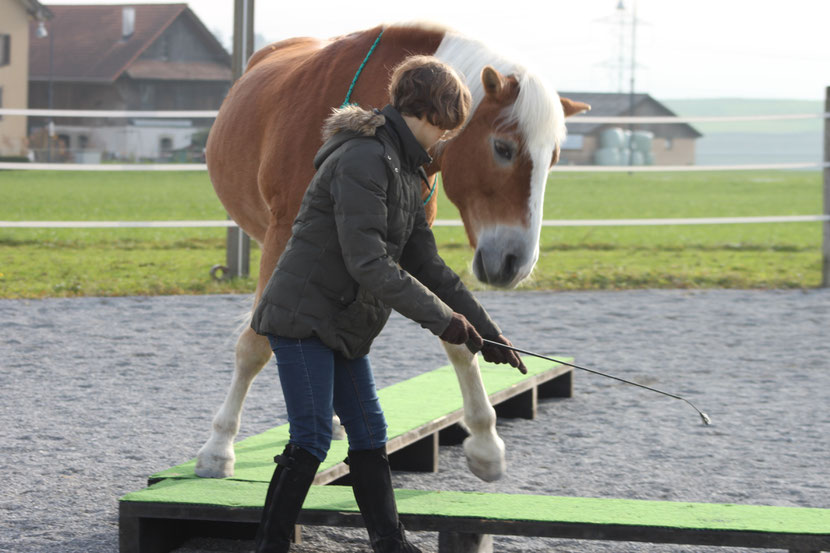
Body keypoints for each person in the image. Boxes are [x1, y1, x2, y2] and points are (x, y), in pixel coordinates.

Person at [250, 55, 526, 553]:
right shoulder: (363, 158)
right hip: (303, 317)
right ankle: (270, 546)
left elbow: (430, 266)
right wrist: (447, 322)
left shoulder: (407, 171)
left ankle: (390, 543)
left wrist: (489, 334)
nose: (445, 138)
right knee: (311, 438)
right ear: (430, 112)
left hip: (345, 321)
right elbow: (369, 263)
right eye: (446, 126)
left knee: (369, 430)